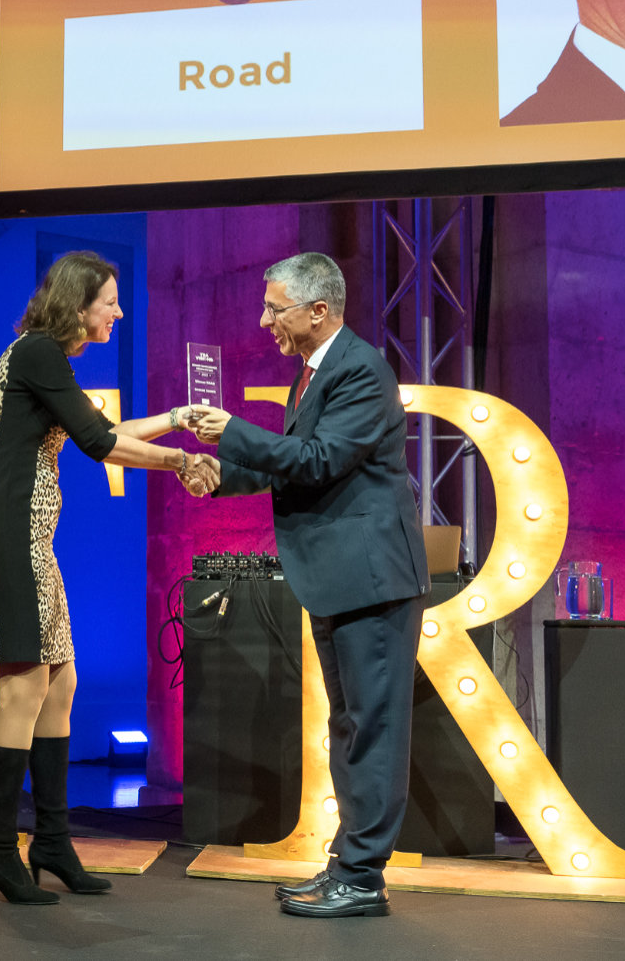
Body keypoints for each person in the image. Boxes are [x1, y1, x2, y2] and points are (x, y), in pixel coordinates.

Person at [0, 250, 218, 905]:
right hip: (10, 535)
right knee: (24, 686)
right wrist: (179, 461)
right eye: (110, 301)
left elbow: (100, 430)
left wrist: (176, 420)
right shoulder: (38, 353)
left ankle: (51, 841)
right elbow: (101, 445)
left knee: (61, 682)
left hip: (30, 538)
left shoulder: (42, 357)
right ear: (78, 306)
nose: (119, 312)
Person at [190, 252, 426, 919]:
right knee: (350, 726)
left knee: (372, 730)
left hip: (371, 580)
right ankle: (348, 866)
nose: (264, 321)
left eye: (275, 309)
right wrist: (218, 474)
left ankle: (363, 877)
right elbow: (294, 467)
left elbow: (321, 460)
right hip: (342, 579)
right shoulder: (316, 371)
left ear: (318, 310)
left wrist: (233, 433)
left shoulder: (359, 369)